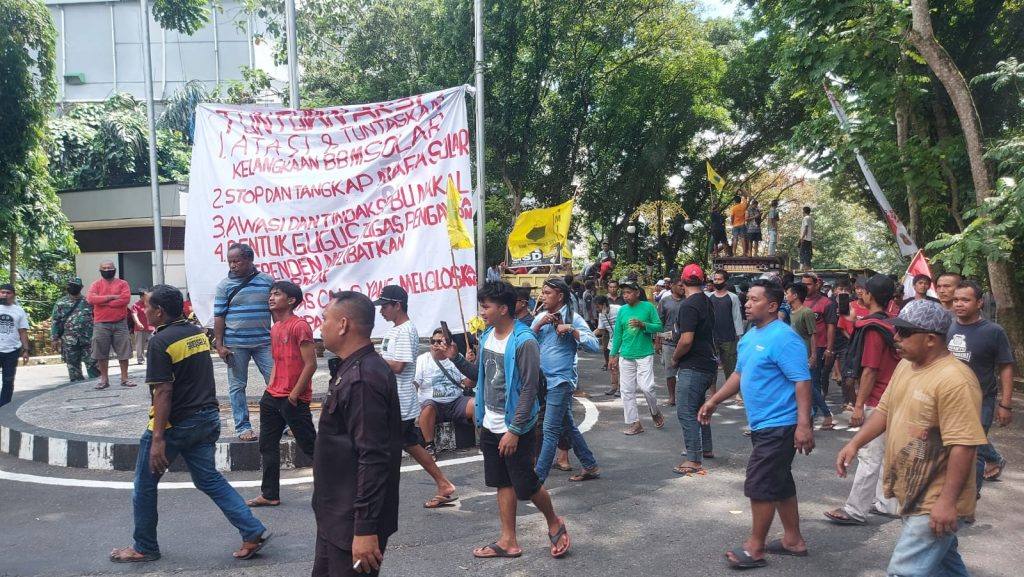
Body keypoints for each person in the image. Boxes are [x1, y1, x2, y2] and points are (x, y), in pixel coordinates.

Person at [109, 285, 270, 563]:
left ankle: (144, 547)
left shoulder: (160, 342)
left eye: (147, 306)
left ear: (159, 311)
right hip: (206, 418)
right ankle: (252, 529)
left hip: (175, 425)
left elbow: (164, 391)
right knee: (208, 478)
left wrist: (158, 438)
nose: (144, 310)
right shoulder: (196, 333)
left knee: (144, 485)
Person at [835, 299, 986, 576]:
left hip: (934, 498)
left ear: (930, 339)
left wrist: (947, 502)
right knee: (945, 567)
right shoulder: (906, 365)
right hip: (912, 491)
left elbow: (963, 445)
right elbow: (884, 411)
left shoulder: (955, 380)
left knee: (903, 571)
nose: (896, 337)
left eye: (904, 333)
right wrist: (855, 443)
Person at [445, 281, 571, 559]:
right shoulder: (488, 334)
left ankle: (554, 521)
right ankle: (508, 541)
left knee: (525, 484)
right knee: (502, 481)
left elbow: (529, 388)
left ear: (503, 308)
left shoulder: (525, 341)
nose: (482, 312)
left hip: (516, 427)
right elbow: (481, 375)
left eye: (486, 307)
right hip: (489, 423)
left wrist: (514, 430)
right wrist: (455, 359)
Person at [698, 280, 814, 569]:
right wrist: (714, 401)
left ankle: (755, 547)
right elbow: (739, 374)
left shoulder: (784, 338)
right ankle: (793, 540)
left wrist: (804, 425)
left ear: (773, 306)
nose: (747, 304)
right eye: (747, 299)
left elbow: (802, 380)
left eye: (754, 299)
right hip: (763, 424)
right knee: (779, 481)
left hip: (781, 424)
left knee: (760, 482)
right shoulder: (750, 336)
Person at [312, 292, 402, 576]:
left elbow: (373, 457)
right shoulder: (350, 368)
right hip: (335, 516)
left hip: (352, 522)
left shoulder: (364, 379)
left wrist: (364, 529)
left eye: (325, 319)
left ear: (343, 325)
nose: (320, 326)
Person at [824, 274, 901, 525]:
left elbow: (870, 369)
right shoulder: (893, 324)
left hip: (878, 399)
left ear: (868, 295)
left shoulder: (873, 330)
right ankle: (888, 503)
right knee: (886, 452)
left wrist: (858, 405)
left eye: (863, 291)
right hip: (895, 396)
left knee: (868, 453)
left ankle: (856, 509)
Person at [374, 285, 458, 508]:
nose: (381, 311)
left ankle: (379, 494)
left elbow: (400, 366)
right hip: (393, 398)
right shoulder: (394, 329)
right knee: (408, 443)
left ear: (397, 305)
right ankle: (443, 483)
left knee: (389, 446)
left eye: (384, 306)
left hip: (399, 400)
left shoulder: (405, 330)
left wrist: (372, 357)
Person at [247, 281, 317, 508]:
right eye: (271, 294)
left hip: (293, 398)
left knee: (310, 446)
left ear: (291, 300)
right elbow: (277, 361)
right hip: (272, 396)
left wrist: (295, 395)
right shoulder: (275, 327)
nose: (271, 297)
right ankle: (270, 494)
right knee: (267, 445)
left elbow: (311, 364)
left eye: (277, 294)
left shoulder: (300, 326)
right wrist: (270, 388)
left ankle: (336, 488)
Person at [947, 280, 1016, 491]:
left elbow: (1006, 367)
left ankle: (968, 500)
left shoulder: (993, 331)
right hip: (949, 399)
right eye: (956, 300)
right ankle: (993, 459)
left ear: (979, 303)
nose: (959, 304)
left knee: (972, 448)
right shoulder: (946, 326)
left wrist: (1005, 405)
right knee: (951, 447)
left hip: (980, 400)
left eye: (965, 300)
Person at [531, 278, 601, 483]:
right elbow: (526, 345)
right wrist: (536, 327)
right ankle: (590, 465)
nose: (542, 296)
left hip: (561, 381)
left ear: (560, 296)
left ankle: (537, 479)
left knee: (550, 429)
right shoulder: (542, 317)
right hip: (543, 381)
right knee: (568, 425)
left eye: (547, 293)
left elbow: (594, 346)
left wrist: (571, 329)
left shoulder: (574, 318)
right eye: (542, 292)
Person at [213, 243, 274, 441]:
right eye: (230, 262)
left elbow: (276, 310)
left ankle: (281, 424)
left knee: (276, 382)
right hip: (235, 346)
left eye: (237, 261)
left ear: (249, 259)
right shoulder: (224, 285)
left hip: (264, 342)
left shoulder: (267, 282)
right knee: (237, 386)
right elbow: (219, 317)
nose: (232, 265)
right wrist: (220, 345)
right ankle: (242, 427)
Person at [671, 265, 718, 475]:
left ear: (682, 280)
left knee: (686, 411)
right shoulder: (707, 301)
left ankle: (693, 458)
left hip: (693, 365)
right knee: (699, 409)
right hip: (707, 362)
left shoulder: (689, 305)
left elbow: (686, 339)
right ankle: (705, 448)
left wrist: (675, 357)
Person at [609, 278, 665, 435]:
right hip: (626, 354)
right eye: (623, 293)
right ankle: (635, 423)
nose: (625, 296)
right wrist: (613, 355)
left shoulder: (648, 307)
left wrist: (643, 325)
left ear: (637, 293)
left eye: (628, 292)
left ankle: (654, 411)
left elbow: (659, 326)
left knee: (647, 387)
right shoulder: (622, 310)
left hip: (644, 353)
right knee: (626, 391)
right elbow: (618, 334)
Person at [416, 329, 475, 458]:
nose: (435, 344)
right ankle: (429, 445)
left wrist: (470, 364)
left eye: (440, 341)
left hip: (455, 402)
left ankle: (483, 440)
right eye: (433, 341)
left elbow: (470, 384)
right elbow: (415, 385)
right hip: (432, 404)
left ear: (448, 343)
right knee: (427, 408)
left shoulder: (456, 358)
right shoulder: (422, 360)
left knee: (477, 404)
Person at [85, 261, 135, 390]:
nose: (107, 270)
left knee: (124, 352)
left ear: (115, 269)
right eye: (104, 268)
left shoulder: (123, 284)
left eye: (110, 268)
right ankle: (104, 379)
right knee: (101, 352)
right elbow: (91, 299)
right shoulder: (96, 284)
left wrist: (103, 301)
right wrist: (112, 297)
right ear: (100, 270)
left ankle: (125, 378)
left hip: (120, 323)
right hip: (101, 324)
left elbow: (125, 299)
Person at [49, 277, 100, 383]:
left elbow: (97, 318)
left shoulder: (88, 302)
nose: (72, 288)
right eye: (70, 285)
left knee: (93, 366)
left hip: (88, 340)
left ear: (81, 288)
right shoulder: (61, 303)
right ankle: (76, 390)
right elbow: (55, 321)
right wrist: (54, 338)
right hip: (69, 341)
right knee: (73, 368)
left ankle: (97, 388)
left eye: (75, 286)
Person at [803, 273, 836, 428]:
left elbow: (831, 327)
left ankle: (823, 414)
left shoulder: (826, 303)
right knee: (808, 382)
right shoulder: (798, 301)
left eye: (809, 284)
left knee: (812, 383)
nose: (805, 287)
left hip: (819, 347)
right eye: (803, 283)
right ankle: (813, 415)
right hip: (801, 348)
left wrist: (829, 349)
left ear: (817, 285)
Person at [708, 270, 744, 389]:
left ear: (725, 281)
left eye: (720, 279)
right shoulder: (709, 296)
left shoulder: (733, 297)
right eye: (715, 279)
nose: (717, 281)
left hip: (729, 337)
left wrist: (739, 336)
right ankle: (713, 391)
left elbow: (737, 317)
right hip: (711, 337)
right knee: (712, 365)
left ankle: (733, 391)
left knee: (730, 365)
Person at [657, 276, 686, 407]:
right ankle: (672, 397)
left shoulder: (688, 301)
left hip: (685, 341)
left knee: (686, 371)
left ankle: (684, 397)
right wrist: (657, 341)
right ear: (673, 286)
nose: (682, 288)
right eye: (680, 285)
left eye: (683, 286)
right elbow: (659, 322)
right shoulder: (665, 301)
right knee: (670, 371)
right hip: (668, 340)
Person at [0, 284, 30, 408]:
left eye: (8, 293)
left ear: (13, 295)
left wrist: (26, 350)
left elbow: (22, 331)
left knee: (8, 380)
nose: (5, 295)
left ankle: (4, 407)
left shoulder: (18, 310)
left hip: (12, 350)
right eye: (2, 292)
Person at [594, 295, 621, 394]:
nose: (597, 309)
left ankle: (621, 388)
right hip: (613, 341)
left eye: (598, 307)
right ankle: (614, 387)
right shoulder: (602, 315)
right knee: (612, 365)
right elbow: (600, 329)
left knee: (620, 365)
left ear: (604, 305)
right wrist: (588, 336)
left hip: (624, 341)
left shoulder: (619, 309)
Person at [130, 290, 154, 365]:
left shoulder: (151, 304)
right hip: (140, 329)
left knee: (154, 343)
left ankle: (153, 358)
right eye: (147, 295)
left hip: (151, 328)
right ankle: (140, 359)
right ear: (142, 296)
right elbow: (134, 315)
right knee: (140, 345)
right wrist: (138, 323)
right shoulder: (136, 305)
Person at [799, 206, 813, 270]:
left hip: (805, 239)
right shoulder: (811, 218)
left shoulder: (805, 218)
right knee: (808, 253)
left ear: (804, 211)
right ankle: (808, 267)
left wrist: (802, 238)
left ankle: (801, 268)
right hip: (809, 239)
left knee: (802, 253)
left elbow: (806, 228)